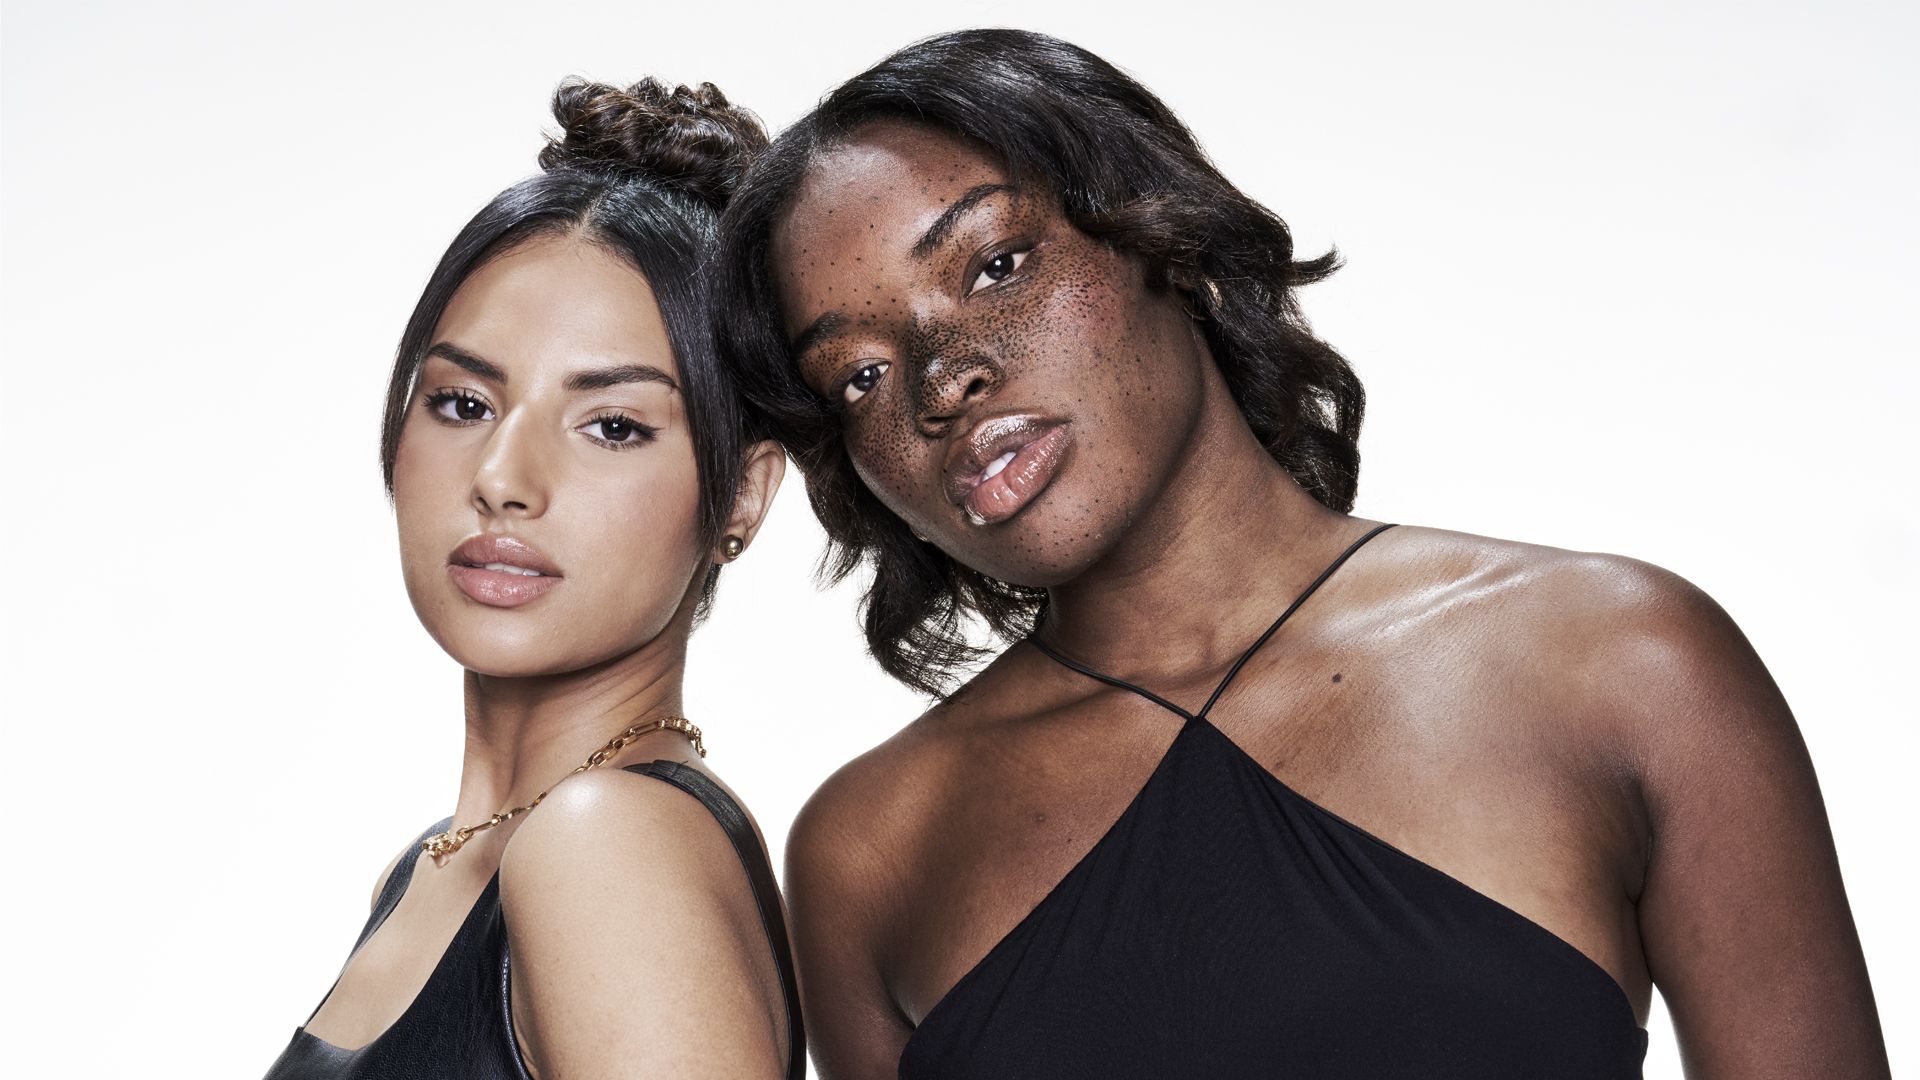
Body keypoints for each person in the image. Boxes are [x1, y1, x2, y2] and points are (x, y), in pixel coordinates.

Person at [715, 29, 1888, 1079]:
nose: (941, 380)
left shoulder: (1621, 664)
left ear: (1158, 237)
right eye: (857, 374)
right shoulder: (874, 848)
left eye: (994, 266)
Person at [264, 77, 801, 1080]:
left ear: (742, 496)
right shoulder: (426, 872)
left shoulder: (608, 845)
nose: (503, 480)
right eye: (463, 404)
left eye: (613, 426)